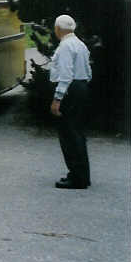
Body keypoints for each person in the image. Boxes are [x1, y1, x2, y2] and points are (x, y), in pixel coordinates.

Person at [49, 14, 93, 189]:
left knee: (68, 134)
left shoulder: (66, 46)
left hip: (70, 89)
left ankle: (76, 177)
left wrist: (57, 99)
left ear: (58, 29)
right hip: (81, 87)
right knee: (78, 133)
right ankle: (83, 175)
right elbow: (88, 72)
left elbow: (65, 75)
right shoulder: (80, 44)